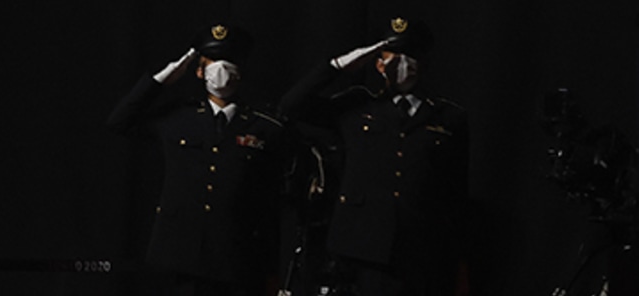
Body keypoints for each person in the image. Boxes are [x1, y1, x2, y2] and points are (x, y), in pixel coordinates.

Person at [280, 18, 467, 296]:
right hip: (360, 250)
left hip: (418, 251)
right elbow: (290, 107)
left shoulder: (449, 117)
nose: (402, 65)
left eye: (410, 56)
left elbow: (454, 192)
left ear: (424, 62)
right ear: (378, 65)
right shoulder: (357, 106)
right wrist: (337, 67)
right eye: (392, 58)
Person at [106, 25, 288, 296]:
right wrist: (162, 79)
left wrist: (271, 268)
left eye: (229, 63)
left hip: (235, 259)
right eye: (212, 64)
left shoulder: (264, 127)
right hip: (180, 258)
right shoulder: (178, 118)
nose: (221, 71)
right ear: (200, 72)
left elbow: (269, 203)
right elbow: (119, 122)